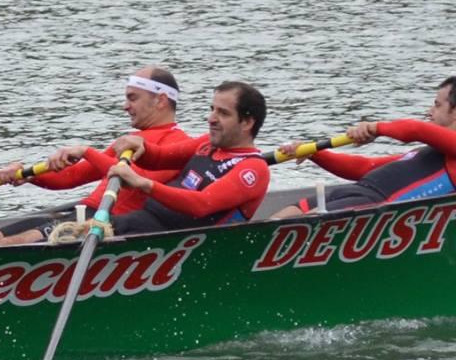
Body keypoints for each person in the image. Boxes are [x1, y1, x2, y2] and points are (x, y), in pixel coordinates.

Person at [0, 66, 190, 248]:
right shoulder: (129, 140)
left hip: (104, 223)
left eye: (132, 98)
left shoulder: (178, 144)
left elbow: (134, 178)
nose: (125, 106)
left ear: (160, 100)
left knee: (6, 245)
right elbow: (72, 177)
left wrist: (86, 152)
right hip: (81, 212)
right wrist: (29, 176)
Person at [100, 81, 271, 234]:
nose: (211, 119)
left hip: (176, 243)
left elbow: (203, 204)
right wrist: (142, 147)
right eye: (212, 110)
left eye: (223, 113)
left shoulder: (253, 169)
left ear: (247, 123)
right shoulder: (208, 143)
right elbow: (160, 158)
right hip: (144, 222)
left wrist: (144, 184)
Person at [272, 76, 456, 216]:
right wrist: (313, 152)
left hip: (375, 207)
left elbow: (416, 130)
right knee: (282, 217)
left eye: (437, 105)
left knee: (293, 226)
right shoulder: (430, 152)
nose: (429, 112)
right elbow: (365, 167)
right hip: (354, 191)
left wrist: (374, 128)